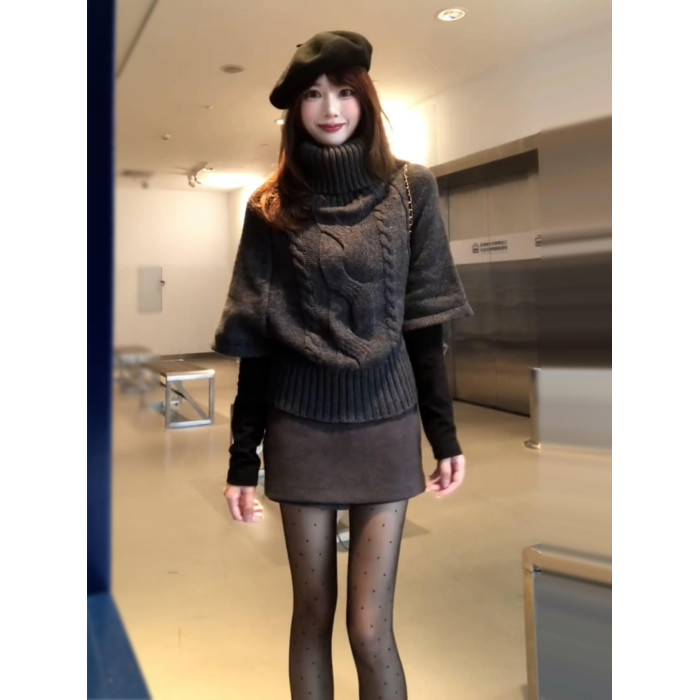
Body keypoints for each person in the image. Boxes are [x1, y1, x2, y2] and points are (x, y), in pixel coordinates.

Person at [213, 29, 474, 700]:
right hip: (300, 426)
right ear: (294, 109)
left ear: (366, 99)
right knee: (312, 615)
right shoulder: (270, 206)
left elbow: (426, 324)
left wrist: (443, 436)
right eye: (312, 94)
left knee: (369, 627)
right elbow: (256, 339)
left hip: (386, 424)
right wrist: (243, 458)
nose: (330, 108)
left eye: (344, 92)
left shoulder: (411, 189)